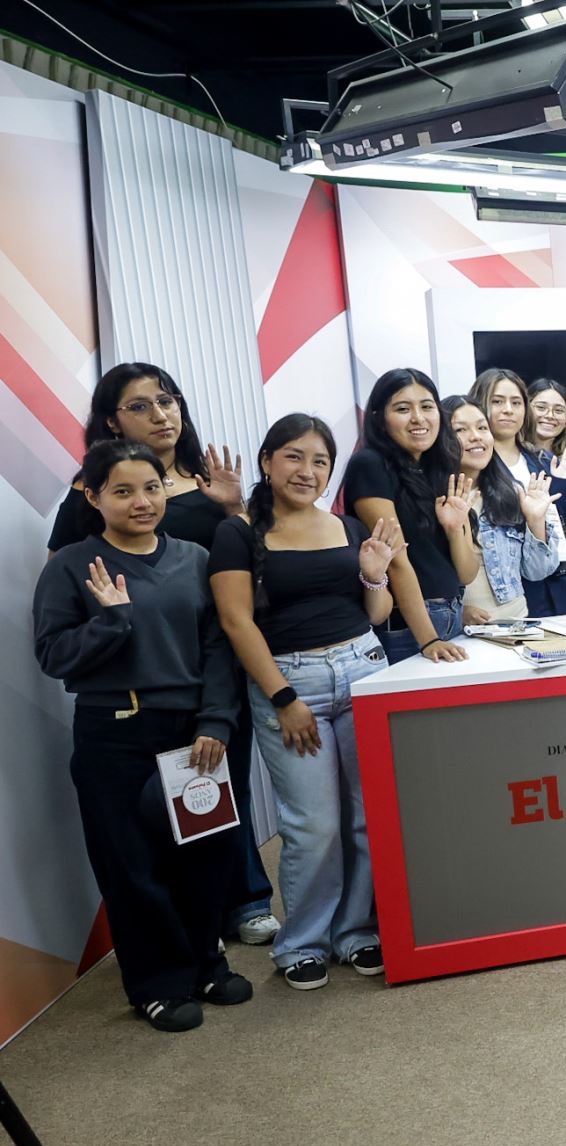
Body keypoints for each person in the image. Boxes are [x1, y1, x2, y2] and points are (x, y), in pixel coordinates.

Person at [46, 363, 277, 948]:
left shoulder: (208, 483)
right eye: (141, 405)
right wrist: (110, 623)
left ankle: (239, 903)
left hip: (216, 661)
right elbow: (62, 593)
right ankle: (181, 936)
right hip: (134, 685)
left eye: (168, 400)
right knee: (142, 827)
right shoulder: (86, 498)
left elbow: (249, 570)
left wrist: (231, 509)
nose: (161, 414)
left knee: (222, 797)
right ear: (109, 421)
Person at [34, 440, 251, 1031]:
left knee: (205, 854)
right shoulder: (73, 565)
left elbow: (217, 649)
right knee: (132, 865)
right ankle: (156, 983)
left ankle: (206, 962)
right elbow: (53, 655)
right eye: (123, 491)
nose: (141, 502)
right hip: (114, 732)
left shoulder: (193, 557)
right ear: (93, 496)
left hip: (193, 732)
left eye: (151, 488)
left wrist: (214, 721)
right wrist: (110, 621)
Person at [210, 415, 404, 990]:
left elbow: (376, 615)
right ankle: (303, 942)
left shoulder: (344, 527)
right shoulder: (239, 532)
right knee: (313, 824)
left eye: (320, 461)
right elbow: (234, 621)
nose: (307, 470)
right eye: (294, 457)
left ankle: (357, 933)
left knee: (369, 817)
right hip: (291, 684)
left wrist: (373, 576)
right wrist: (283, 697)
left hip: (363, 669)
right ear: (268, 461)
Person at [342, 368, 476, 663]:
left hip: (452, 616)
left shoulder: (439, 468)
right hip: (408, 627)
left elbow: (467, 574)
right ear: (379, 417)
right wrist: (428, 639)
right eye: (403, 409)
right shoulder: (370, 465)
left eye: (427, 407)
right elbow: (397, 561)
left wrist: (455, 530)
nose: (418, 418)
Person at [473, 368, 566, 615]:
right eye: (497, 401)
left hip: (557, 585)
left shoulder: (541, 461)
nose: (508, 410)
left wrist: (564, 483)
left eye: (516, 402)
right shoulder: (474, 465)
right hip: (505, 595)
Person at [445, 396, 562, 625]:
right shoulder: (437, 499)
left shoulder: (510, 492)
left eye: (482, 427)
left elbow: (537, 572)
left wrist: (535, 521)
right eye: (460, 429)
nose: (476, 436)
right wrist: (455, 612)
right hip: (461, 636)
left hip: (517, 626)